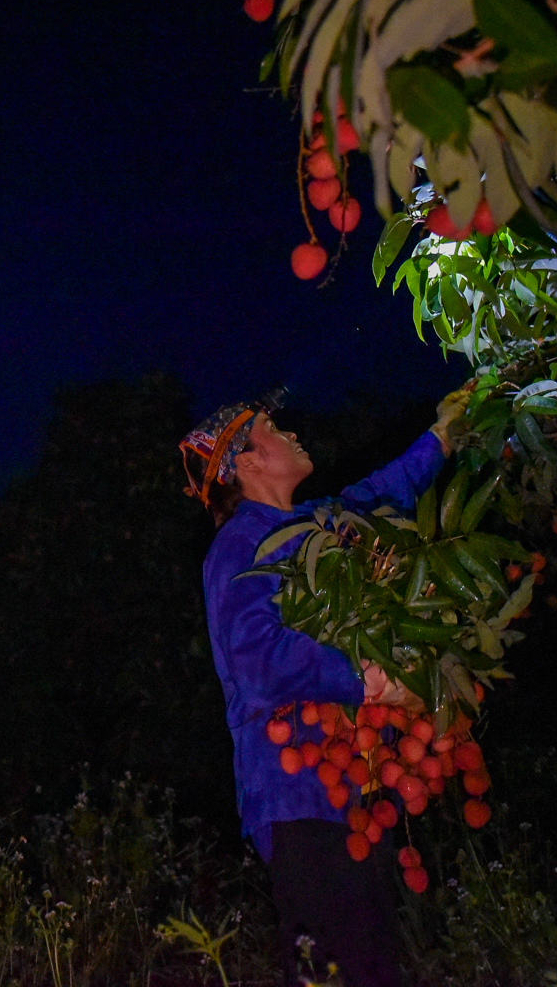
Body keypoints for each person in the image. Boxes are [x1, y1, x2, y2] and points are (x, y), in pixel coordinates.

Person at [179, 387, 468, 987]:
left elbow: (380, 495)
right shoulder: (239, 546)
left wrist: (445, 433)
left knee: (370, 962)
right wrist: (371, 682)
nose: (291, 434)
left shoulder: (316, 528)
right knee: (329, 967)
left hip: (355, 786)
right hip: (297, 796)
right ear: (248, 462)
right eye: (273, 431)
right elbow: (258, 660)